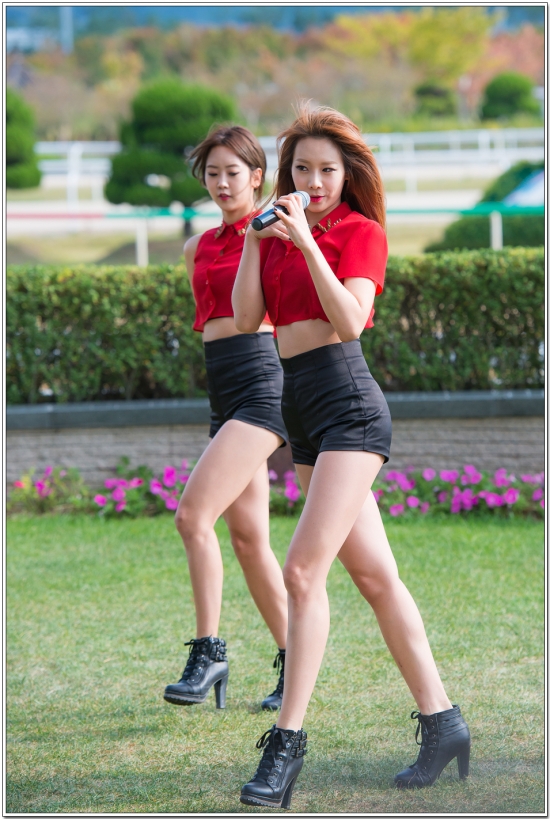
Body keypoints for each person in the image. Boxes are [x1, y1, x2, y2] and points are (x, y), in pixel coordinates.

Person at [232, 106, 470, 809]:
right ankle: (444, 723)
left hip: (349, 407)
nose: (314, 182)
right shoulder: (278, 236)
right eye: (302, 169)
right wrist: (255, 242)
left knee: (302, 571)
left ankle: (285, 746)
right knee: (375, 577)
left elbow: (351, 321)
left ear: (348, 174)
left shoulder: (360, 233)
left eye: (327, 170)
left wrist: (307, 241)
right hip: (300, 409)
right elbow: (246, 320)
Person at [163, 125, 288, 713]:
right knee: (249, 539)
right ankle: (296, 656)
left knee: (193, 517)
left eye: (232, 172)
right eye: (211, 173)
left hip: (263, 384)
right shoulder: (197, 246)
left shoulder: (274, 234)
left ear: (256, 176)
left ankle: (208, 652)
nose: (221, 183)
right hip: (224, 389)